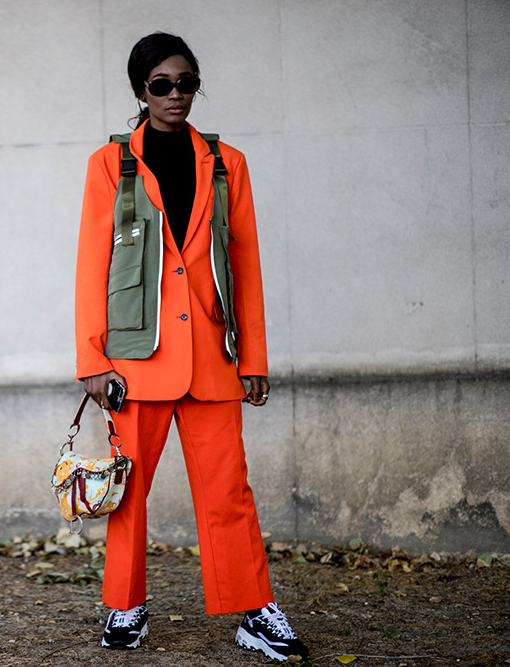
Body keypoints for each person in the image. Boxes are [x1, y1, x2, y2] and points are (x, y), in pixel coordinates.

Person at [74, 32, 308, 661]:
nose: (176, 96)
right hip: (135, 362)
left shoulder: (228, 162)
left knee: (229, 492)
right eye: (161, 86)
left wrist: (253, 357)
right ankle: (126, 607)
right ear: (140, 92)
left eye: (186, 83)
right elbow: (92, 265)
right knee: (128, 494)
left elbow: (246, 264)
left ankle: (254, 611)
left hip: (212, 358)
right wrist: (92, 360)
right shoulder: (109, 164)